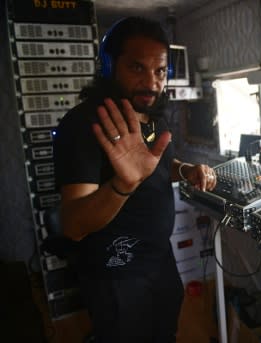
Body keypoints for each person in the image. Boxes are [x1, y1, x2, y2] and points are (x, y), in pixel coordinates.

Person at [53, 16, 217, 343]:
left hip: (158, 258)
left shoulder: (150, 115)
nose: (152, 83)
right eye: (137, 68)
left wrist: (186, 170)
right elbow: (72, 224)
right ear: (109, 66)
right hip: (117, 273)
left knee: (164, 331)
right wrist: (123, 185)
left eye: (159, 71)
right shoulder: (84, 124)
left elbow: (158, 166)